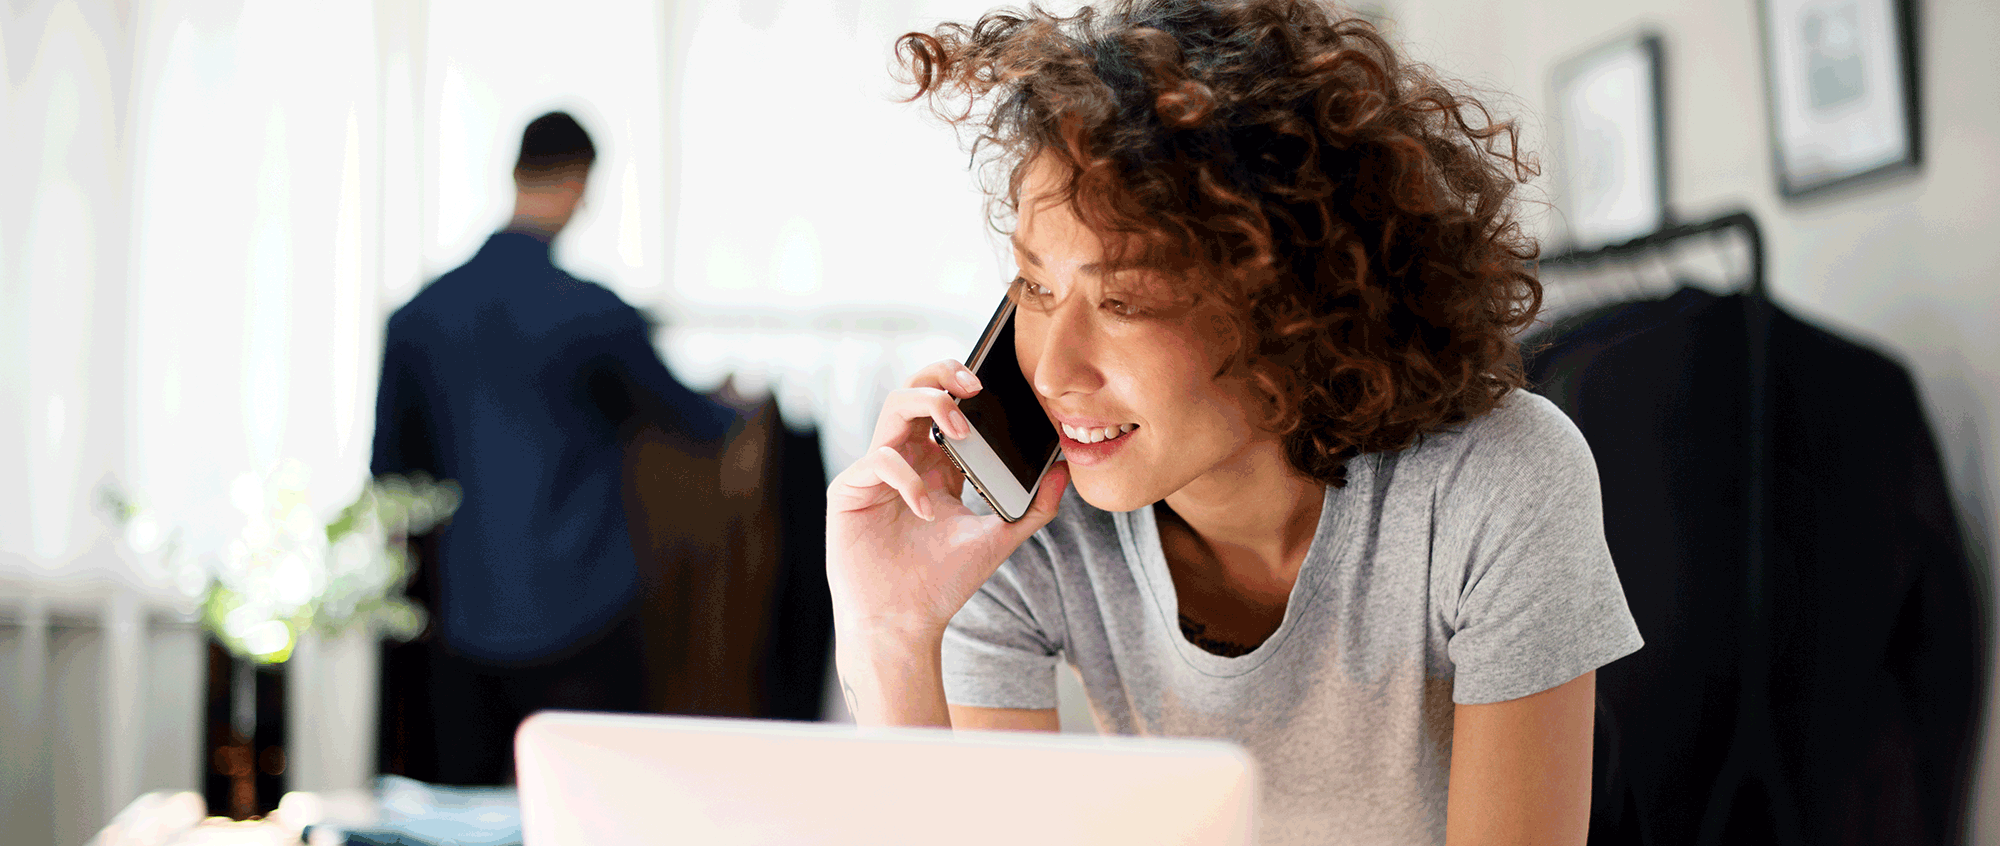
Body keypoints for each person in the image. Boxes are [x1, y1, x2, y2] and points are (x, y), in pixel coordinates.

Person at [825, 2, 1643, 844]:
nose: (1053, 370)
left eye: (1125, 301)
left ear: (1291, 308)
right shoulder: (1024, 529)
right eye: (1036, 287)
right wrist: (892, 633)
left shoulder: (1495, 485)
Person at [370, 111, 734, 784]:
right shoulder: (598, 316)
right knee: (592, 813)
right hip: (586, 613)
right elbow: (699, 425)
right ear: (579, 183)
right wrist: (733, 400)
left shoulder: (419, 318)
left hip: (462, 618)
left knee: (460, 824)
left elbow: (390, 475)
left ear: (514, 173)